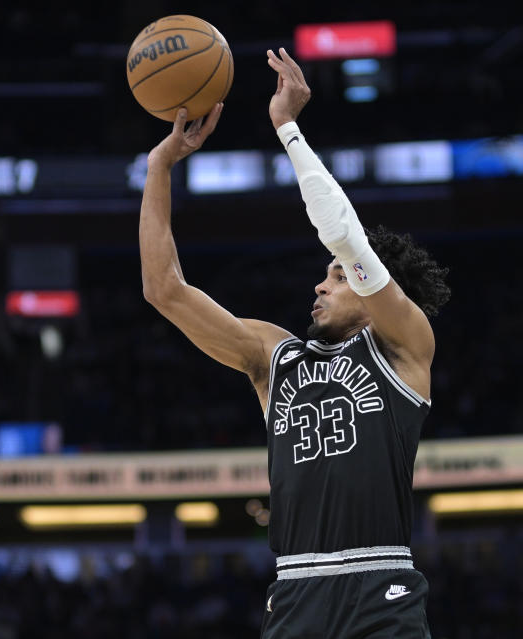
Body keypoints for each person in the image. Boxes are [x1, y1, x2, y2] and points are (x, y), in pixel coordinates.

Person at [140, 48, 449, 638]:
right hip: (296, 591)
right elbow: (164, 291)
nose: (320, 283)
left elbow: (347, 239)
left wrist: (287, 128)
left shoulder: (407, 349)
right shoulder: (275, 358)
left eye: (335, 277)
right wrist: (160, 166)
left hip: (381, 588)